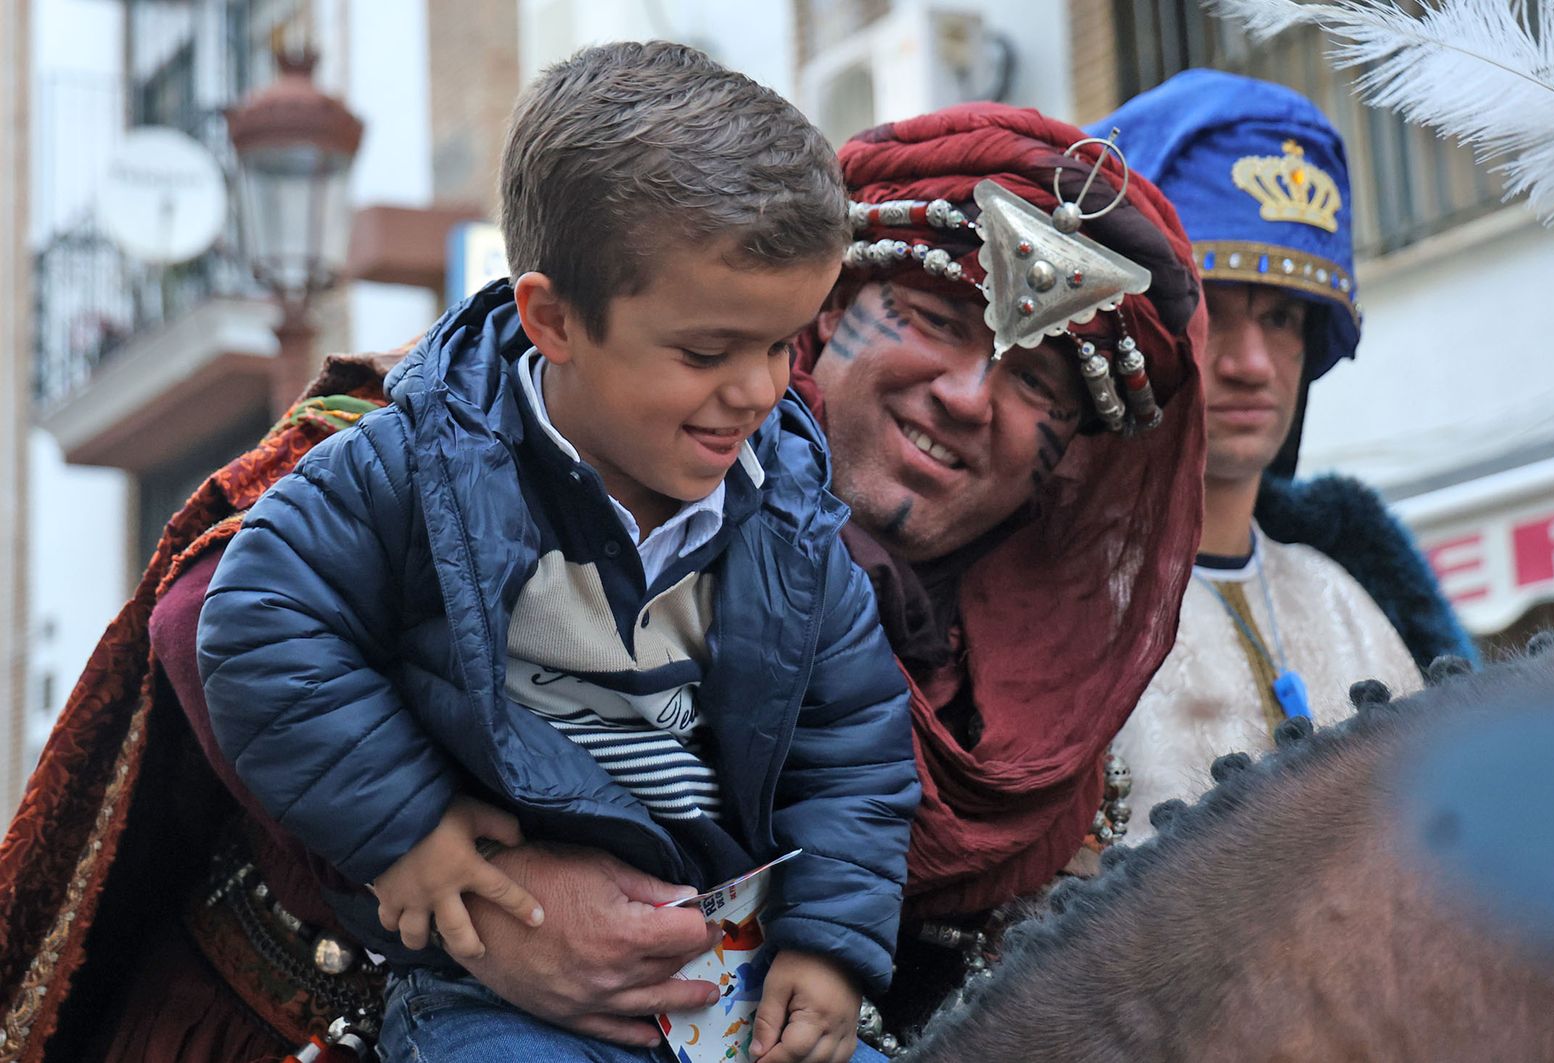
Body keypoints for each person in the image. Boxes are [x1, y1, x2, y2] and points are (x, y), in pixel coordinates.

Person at [0, 100, 1208, 1060]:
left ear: (1066, 461)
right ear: (824, 312)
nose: (967, 395)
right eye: (934, 322)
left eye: (1036, 388)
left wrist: (829, 955)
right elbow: (222, 618)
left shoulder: (1041, 728)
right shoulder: (484, 426)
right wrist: (489, 897)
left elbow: (859, 777)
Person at [195, 41, 919, 1063]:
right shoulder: (415, 467)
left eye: (781, 345)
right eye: (706, 351)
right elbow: (260, 622)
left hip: (729, 991)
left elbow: (855, 742)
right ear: (553, 319)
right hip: (487, 1001)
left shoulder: (790, 517)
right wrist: (410, 829)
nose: (758, 391)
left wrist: (831, 943)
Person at [1086, 70, 1477, 843]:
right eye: (1210, 313)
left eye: (1282, 318)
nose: (1252, 364)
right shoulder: (1053, 605)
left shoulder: (1346, 601)